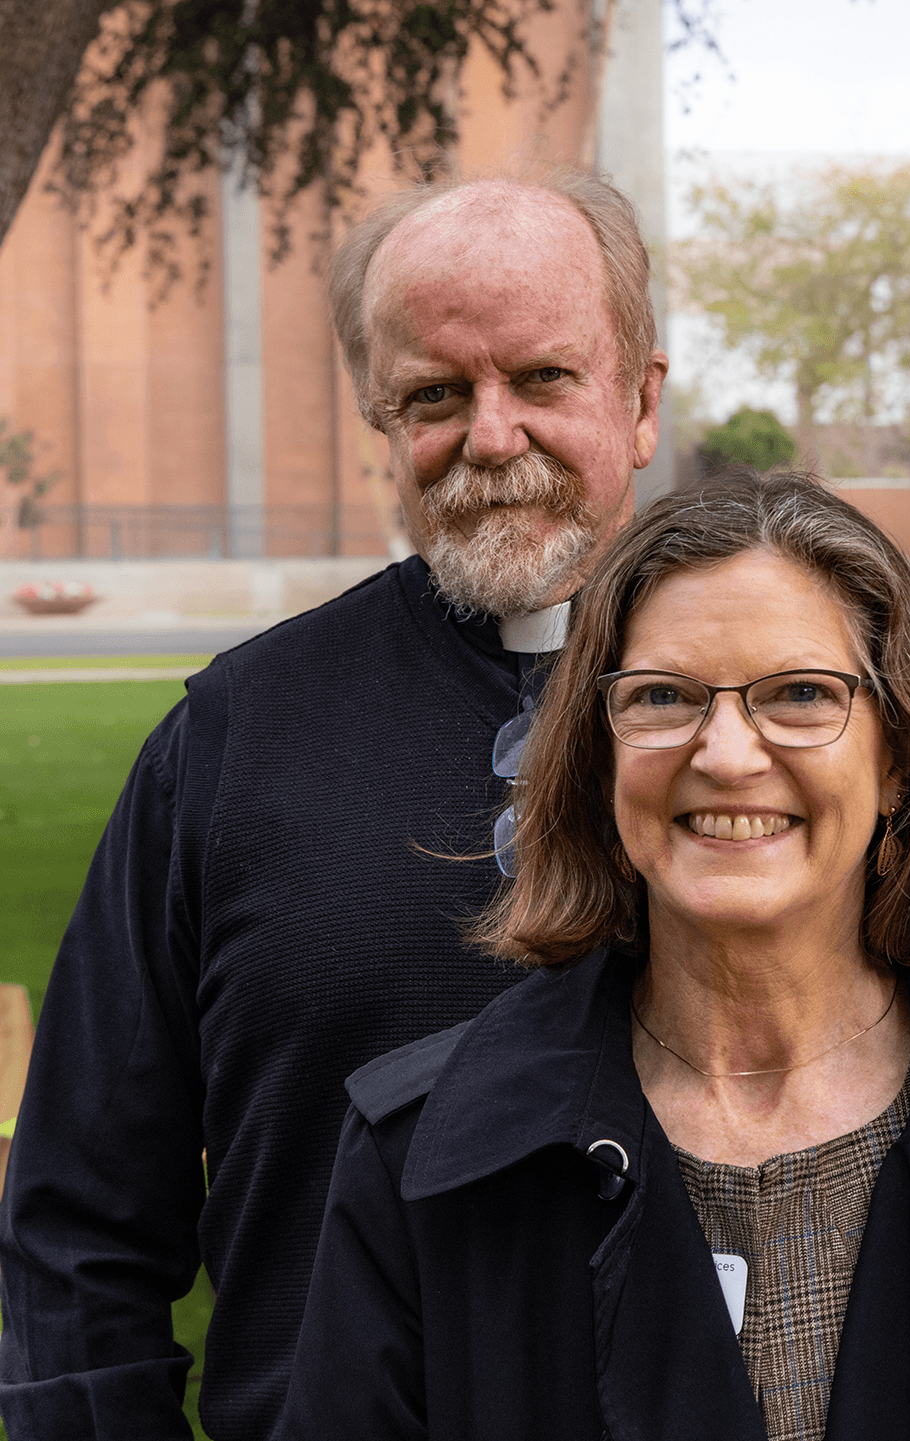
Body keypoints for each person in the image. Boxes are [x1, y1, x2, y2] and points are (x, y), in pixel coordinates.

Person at [274, 472, 910, 1441]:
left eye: (800, 694)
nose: (729, 753)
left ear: (897, 758)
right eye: (663, 696)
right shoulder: (420, 1156)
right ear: (601, 752)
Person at [0, 168, 668, 1441]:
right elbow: (80, 1219)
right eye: (434, 394)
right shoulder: (232, 737)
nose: (489, 435)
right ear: (379, 417)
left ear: (638, 401)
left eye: (541, 379)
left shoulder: (792, 734)